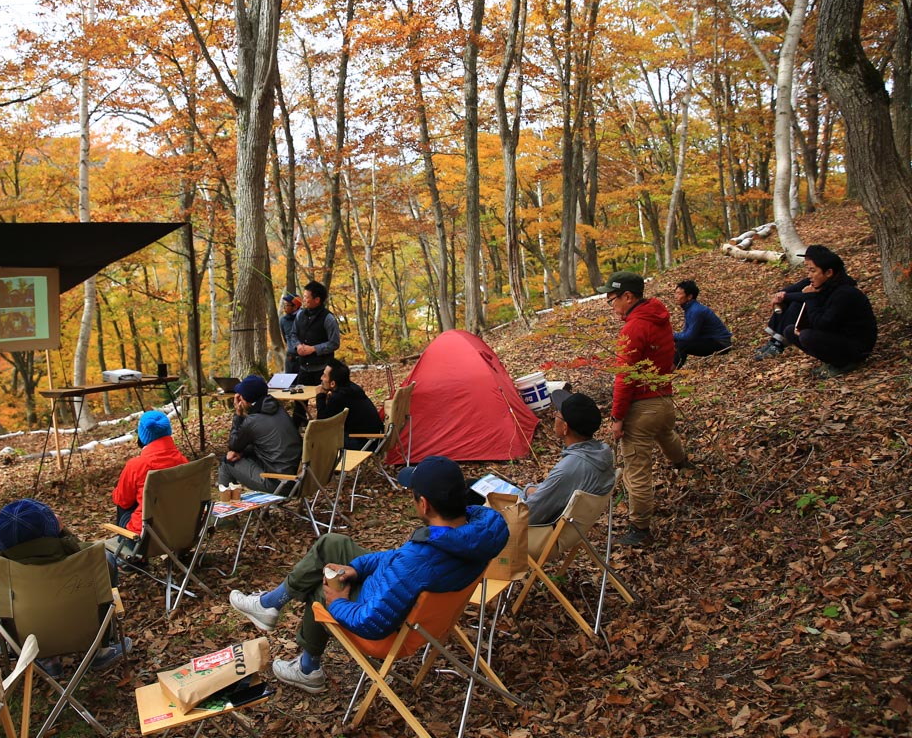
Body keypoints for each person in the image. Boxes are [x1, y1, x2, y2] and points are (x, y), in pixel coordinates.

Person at [228, 455, 508, 693]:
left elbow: (371, 623)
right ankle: (270, 604)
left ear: (425, 504)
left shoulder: (419, 558)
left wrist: (337, 600)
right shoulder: (478, 530)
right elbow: (397, 558)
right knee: (332, 544)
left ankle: (307, 668)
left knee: (321, 588)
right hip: (428, 607)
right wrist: (358, 567)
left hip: (395, 630)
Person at [0, 499, 130, 676]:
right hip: (87, 632)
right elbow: (97, 571)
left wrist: (2, 554)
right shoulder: (91, 558)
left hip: (30, 644)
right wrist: (64, 533)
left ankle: (47, 660)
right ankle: (99, 651)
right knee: (105, 574)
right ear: (52, 529)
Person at [597, 271, 689, 548]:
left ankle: (640, 528)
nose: (610, 305)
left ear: (628, 296)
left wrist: (617, 416)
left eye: (611, 299)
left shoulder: (634, 328)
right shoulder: (658, 316)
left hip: (642, 406)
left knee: (636, 469)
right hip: (663, 398)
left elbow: (625, 377)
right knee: (665, 432)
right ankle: (682, 464)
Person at [752, 245, 877, 378]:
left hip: (857, 347)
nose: (809, 275)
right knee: (790, 331)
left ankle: (844, 363)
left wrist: (809, 298)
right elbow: (801, 293)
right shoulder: (826, 285)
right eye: (808, 270)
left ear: (828, 272)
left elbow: (822, 324)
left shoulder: (844, 293)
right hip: (839, 337)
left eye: (812, 270)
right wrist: (785, 296)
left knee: (806, 336)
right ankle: (833, 361)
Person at [521, 389, 615, 525]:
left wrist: (527, 490)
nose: (554, 417)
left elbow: (528, 516)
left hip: (541, 534)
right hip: (574, 530)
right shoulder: (601, 452)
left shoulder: (568, 469)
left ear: (565, 427)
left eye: (557, 415)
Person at [218, 375, 302, 494]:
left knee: (227, 462)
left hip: (277, 484)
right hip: (297, 478)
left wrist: (238, 414)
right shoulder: (279, 409)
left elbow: (233, 446)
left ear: (245, 400)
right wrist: (242, 453)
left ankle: (226, 507)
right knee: (240, 455)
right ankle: (257, 511)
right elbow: (265, 445)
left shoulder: (252, 421)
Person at [112, 410, 189, 535]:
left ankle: (122, 546)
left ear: (142, 435)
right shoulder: (182, 461)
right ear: (167, 432)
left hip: (146, 535)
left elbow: (123, 501)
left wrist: (116, 490)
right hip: (181, 529)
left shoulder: (137, 465)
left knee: (123, 498)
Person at [292, 281, 341, 427]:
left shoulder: (328, 318)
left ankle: (323, 430)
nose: (304, 299)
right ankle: (295, 432)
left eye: (307, 297)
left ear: (317, 299)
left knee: (324, 401)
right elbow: (293, 334)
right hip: (303, 368)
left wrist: (314, 349)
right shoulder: (300, 314)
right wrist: (298, 346)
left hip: (323, 368)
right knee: (299, 403)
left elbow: (334, 343)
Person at [315, 359, 383, 450]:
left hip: (365, 443)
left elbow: (322, 422)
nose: (321, 378)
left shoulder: (338, 397)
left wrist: (320, 396)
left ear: (333, 383)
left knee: (319, 437)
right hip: (376, 439)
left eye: (324, 376)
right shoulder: (352, 388)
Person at [672, 280, 732, 369]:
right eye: (675, 293)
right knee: (677, 342)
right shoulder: (690, 308)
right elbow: (687, 332)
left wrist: (670, 335)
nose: (675, 296)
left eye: (679, 294)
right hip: (710, 339)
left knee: (682, 345)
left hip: (721, 344)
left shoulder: (696, 311)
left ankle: (670, 372)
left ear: (689, 297)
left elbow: (689, 336)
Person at [279, 293, 302, 374]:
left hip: (303, 360)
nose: (284, 307)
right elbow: (285, 338)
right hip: (290, 359)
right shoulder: (283, 320)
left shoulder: (304, 318)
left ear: (295, 307)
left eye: (286, 305)